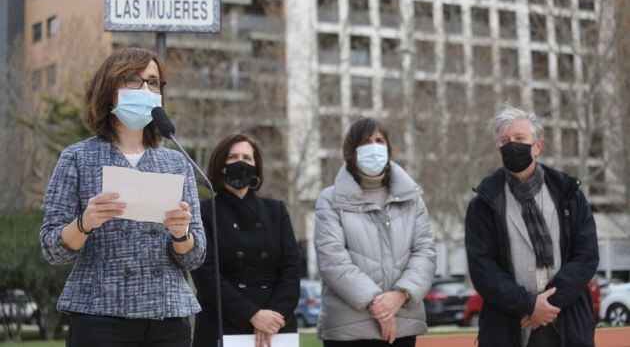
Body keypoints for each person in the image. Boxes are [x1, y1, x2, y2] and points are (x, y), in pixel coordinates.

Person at [40, 47, 206, 347]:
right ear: (109, 89)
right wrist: (84, 223)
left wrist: (182, 235)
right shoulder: (77, 158)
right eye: (133, 80)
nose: (146, 89)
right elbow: (53, 250)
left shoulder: (177, 161)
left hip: (167, 317)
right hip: (100, 315)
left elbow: (195, 257)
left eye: (154, 82)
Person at [465, 106, 599, 347]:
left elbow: (586, 256)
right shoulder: (483, 204)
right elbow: (483, 269)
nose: (511, 145)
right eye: (504, 141)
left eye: (520, 139)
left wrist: (549, 305)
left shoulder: (569, 194)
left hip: (566, 325)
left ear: (538, 146)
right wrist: (528, 305)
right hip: (510, 327)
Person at [314, 117, 436, 347]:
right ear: (351, 151)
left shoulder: (412, 199)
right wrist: (378, 306)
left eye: (379, 140)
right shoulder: (330, 200)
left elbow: (425, 252)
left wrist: (400, 296)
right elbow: (332, 260)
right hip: (349, 329)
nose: (374, 147)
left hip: (403, 325)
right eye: (365, 141)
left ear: (389, 148)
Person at [191, 133, 300, 347]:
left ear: (256, 168)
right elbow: (205, 274)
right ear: (219, 164)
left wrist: (273, 317)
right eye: (232, 157)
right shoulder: (203, 211)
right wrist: (252, 315)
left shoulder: (276, 210)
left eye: (247, 158)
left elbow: (291, 269)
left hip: (275, 327)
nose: (240, 162)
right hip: (222, 321)